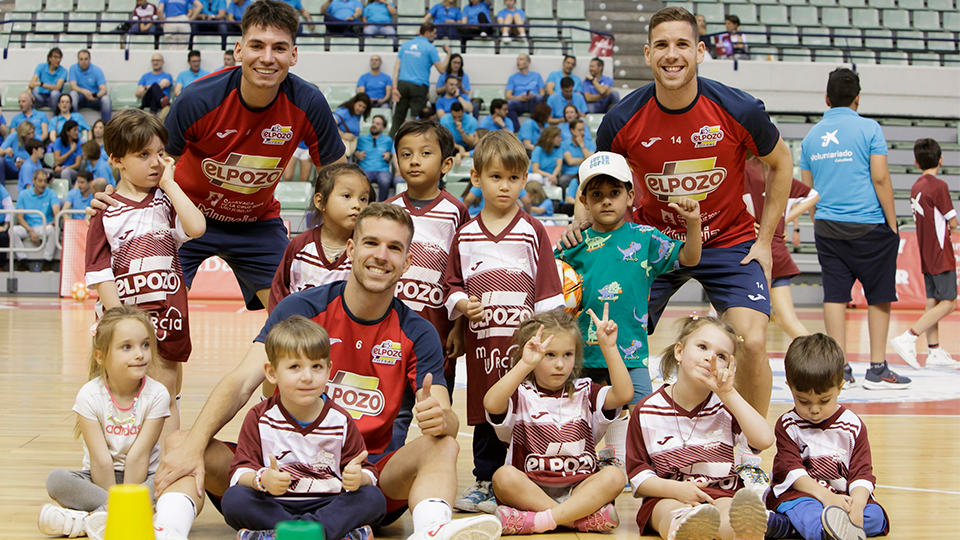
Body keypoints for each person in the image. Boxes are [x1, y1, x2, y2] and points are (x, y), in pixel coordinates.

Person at [153, 203, 503, 540]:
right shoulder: (302, 309)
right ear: (351, 249)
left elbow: (443, 414)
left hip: (362, 481)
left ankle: (431, 532)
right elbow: (242, 382)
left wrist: (442, 420)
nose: (381, 255)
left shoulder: (417, 331)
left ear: (408, 260)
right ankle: (167, 530)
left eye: (394, 247)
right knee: (183, 442)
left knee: (442, 446)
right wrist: (194, 445)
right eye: (371, 243)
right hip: (277, 479)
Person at [563, 6, 795, 418]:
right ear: (649, 55)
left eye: (682, 44)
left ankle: (747, 454)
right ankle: (599, 442)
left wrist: (765, 242)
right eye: (663, 45)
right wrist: (579, 225)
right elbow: (599, 182)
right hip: (650, 242)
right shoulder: (620, 121)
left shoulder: (738, 110)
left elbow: (782, 163)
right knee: (599, 333)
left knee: (753, 342)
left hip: (729, 241)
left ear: (701, 51)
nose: (673, 54)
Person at [93, 0, 347, 313]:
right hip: (184, 218)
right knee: (152, 315)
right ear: (239, 50)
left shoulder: (308, 103)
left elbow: (338, 178)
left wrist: (353, 227)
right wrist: (120, 198)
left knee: (294, 321)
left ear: (293, 55)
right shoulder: (198, 99)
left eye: (279, 48)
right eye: (257, 46)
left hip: (257, 223)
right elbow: (154, 161)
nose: (267, 58)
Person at [443, 131, 565, 514]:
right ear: (476, 178)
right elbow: (451, 285)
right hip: (483, 346)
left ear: (524, 180)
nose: (505, 186)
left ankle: (530, 482)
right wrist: (462, 306)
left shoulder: (533, 231)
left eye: (513, 178)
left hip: (524, 349)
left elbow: (548, 291)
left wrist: (549, 339)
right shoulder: (465, 235)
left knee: (527, 408)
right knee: (486, 411)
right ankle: (484, 481)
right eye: (496, 177)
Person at [555, 152, 701, 464]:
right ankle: (586, 465)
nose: (606, 201)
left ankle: (649, 467)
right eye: (596, 195)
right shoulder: (574, 243)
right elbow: (553, 279)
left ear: (630, 196)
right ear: (584, 200)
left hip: (631, 352)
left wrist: (693, 223)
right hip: (584, 353)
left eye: (614, 193)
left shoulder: (645, 238)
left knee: (642, 413)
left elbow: (689, 258)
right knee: (581, 418)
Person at [86, 109, 206, 446]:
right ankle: (123, 464)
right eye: (143, 155)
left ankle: (167, 469)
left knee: (166, 395)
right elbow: (99, 272)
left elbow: (196, 227)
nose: (156, 163)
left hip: (167, 318)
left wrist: (170, 183)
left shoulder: (166, 201)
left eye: (160, 154)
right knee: (125, 396)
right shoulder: (105, 210)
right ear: (117, 160)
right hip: (127, 322)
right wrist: (123, 322)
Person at [223, 316, 387, 539]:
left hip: (329, 504)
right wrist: (262, 480)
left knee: (372, 498)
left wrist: (360, 478)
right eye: (295, 367)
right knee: (235, 499)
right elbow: (240, 471)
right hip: (275, 504)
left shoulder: (340, 419)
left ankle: (280, 535)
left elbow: (367, 470)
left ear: (328, 369)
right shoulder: (259, 417)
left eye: (316, 366)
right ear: (272, 373)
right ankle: (325, 534)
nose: (307, 377)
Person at [800, 67, 907, 390]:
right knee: (879, 296)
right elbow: (880, 178)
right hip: (870, 225)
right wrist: (892, 222)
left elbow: (808, 191)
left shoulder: (810, 137)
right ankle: (877, 368)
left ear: (826, 99)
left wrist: (819, 220)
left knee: (834, 295)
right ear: (858, 98)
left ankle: (840, 369)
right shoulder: (869, 128)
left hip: (829, 227)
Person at [625, 316, 775, 540]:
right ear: (679, 351)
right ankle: (686, 531)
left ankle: (742, 533)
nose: (710, 358)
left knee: (728, 512)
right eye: (702, 347)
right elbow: (638, 477)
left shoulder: (727, 405)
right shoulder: (647, 410)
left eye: (721, 356)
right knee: (668, 513)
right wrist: (677, 491)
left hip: (719, 493)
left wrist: (729, 393)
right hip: (669, 495)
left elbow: (764, 440)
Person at [486, 308, 631, 534]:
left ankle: (536, 521)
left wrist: (609, 348)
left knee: (614, 476)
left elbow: (623, 395)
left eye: (567, 354)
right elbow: (491, 403)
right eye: (549, 355)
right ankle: (577, 519)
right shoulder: (520, 392)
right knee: (503, 477)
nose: (560, 364)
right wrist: (525, 364)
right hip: (530, 489)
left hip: (580, 488)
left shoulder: (586, 391)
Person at [38, 306, 171, 540]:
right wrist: (119, 504)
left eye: (145, 344)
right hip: (98, 481)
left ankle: (88, 521)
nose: (139, 354)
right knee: (56, 480)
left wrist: (129, 498)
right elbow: (100, 460)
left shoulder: (158, 393)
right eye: (126, 347)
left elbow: (138, 456)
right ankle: (128, 516)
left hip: (143, 479)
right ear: (100, 356)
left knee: (172, 483)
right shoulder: (89, 395)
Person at [386, 119, 469, 442]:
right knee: (393, 409)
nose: (414, 160)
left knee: (434, 409)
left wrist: (459, 328)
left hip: (436, 331)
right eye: (405, 154)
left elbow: (461, 275)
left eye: (424, 153)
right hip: (392, 331)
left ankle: (432, 473)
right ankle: (385, 467)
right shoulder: (389, 209)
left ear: (446, 163)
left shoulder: (455, 211)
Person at [767, 333, 891, 540]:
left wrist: (858, 505)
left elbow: (862, 473)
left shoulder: (853, 425)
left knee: (875, 516)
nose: (814, 410)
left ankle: (789, 528)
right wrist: (826, 497)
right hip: (805, 496)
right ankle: (826, 532)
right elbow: (791, 471)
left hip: (843, 499)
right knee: (807, 511)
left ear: (840, 387)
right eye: (804, 401)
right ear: (790, 388)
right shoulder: (787, 425)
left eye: (824, 401)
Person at [889, 138, 960, 369]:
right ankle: (909, 336)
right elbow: (953, 221)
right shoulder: (938, 186)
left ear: (916, 163)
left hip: (926, 253)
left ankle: (934, 351)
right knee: (949, 303)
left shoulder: (916, 186)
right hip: (941, 253)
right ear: (940, 160)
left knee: (933, 301)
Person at [269, 163, 373, 311]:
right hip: (299, 332)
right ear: (320, 201)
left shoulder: (366, 250)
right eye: (347, 196)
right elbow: (279, 293)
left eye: (363, 199)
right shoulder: (300, 246)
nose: (357, 204)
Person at [743, 155, 818, 340]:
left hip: (751, 254)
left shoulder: (742, 169)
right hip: (777, 253)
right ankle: (821, 363)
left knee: (743, 325)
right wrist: (783, 220)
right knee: (788, 321)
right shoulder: (780, 170)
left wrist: (747, 221)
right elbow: (814, 196)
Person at [390, 24, 451, 139]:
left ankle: (389, 146)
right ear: (427, 32)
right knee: (417, 122)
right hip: (418, 87)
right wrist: (448, 54)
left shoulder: (406, 45)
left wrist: (394, 88)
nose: (435, 36)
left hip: (402, 85)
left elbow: (396, 67)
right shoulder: (430, 48)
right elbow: (442, 69)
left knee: (397, 120)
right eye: (434, 33)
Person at [12, 168, 60, 271]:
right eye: (40, 181)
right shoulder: (23, 194)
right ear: (33, 181)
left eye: (45, 181)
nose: (43, 184)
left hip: (44, 226)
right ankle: (22, 261)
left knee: (54, 230)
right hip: (27, 227)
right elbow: (20, 218)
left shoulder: (51, 193)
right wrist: (31, 231)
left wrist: (56, 219)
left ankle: (47, 261)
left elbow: (56, 210)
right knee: (12, 231)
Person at [355, 115, 394, 201]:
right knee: (362, 181)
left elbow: (393, 153)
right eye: (373, 122)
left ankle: (382, 205)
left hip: (383, 170)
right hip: (366, 168)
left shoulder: (388, 140)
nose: (374, 125)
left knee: (385, 181)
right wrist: (356, 154)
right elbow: (351, 151)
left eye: (378, 124)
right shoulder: (361, 139)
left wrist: (389, 154)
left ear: (383, 128)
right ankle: (367, 205)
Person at [69, 50, 113, 123]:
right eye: (81, 59)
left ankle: (106, 126)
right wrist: (84, 91)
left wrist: (95, 96)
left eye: (86, 59)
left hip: (94, 97)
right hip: (80, 97)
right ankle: (73, 124)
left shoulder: (97, 70)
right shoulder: (73, 68)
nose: (84, 61)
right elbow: (73, 86)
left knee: (106, 100)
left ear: (90, 59)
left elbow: (104, 90)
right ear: (78, 60)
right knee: (73, 94)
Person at [505, 54, 545, 133]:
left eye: (521, 59)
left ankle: (533, 127)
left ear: (528, 63)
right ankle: (517, 130)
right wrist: (520, 98)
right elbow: (508, 96)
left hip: (533, 102)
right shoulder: (512, 78)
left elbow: (542, 93)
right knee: (509, 104)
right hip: (519, 102)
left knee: (539, 98)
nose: (518, 62)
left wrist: (533, 96)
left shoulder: (537, 76)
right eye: (517, 59)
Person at [334, 93, 372, 158]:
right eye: (359, 105)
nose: (361, 109)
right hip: (337, 149)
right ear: (354, 102)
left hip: (349, 151)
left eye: (364, 107)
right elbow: (331, 123)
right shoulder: (344, 111)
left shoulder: (358, 115)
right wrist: (342, 135)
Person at [557, 119, 591, 189]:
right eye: (579, 130)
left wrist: (582, 144)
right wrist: (586, 159)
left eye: (583, 130)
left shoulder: (589, 143)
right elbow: (570, 161)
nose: (583, 133)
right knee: (563, 180)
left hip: (586, 173)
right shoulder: (564, 144)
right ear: (572, 130)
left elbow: (591, 159)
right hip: (569, 174)